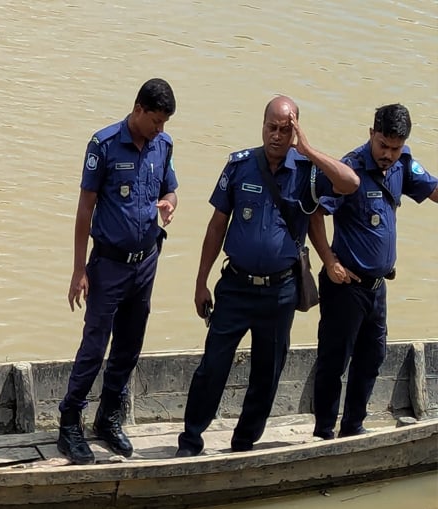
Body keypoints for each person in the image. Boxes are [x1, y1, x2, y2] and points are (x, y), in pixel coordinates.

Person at [176, 96, 358, 457]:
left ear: (295, 130)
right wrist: (200, 282)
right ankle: (191, 440)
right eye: (271, 127)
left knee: (267, 372)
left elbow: (350, 182)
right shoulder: (240, 166)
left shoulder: (307, 171)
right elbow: (216, 226)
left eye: (285, 129)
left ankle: (244, 444)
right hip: (235, 287)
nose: (276, 135)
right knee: (212, 366)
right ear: (262, 126)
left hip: (280, 293)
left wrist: (306, 148)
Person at [58, 78, 178, 465]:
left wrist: (169, 204)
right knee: (95, 346)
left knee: (129, 345)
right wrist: (79, 269)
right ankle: (69, 421)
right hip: (108, 265)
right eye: (155, 120)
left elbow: (171, 189)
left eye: (164, 123)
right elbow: (84, 210)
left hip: (145, 263)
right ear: (138, 109)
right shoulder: (104, 145)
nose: (160, 128)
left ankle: (107, 419)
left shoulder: (164, 145)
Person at [309, 104, 438, 440]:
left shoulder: (402, 166)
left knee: (372, 359)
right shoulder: (349, 169)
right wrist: (328, 260)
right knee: (334, 362)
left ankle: (353, 428)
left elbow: (434, 191)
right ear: (371, 135)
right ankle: (323, 433)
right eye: (383, 145)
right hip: (345, 284)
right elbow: (315, 214)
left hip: (377, 287)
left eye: (395, 148)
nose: (388, 154)